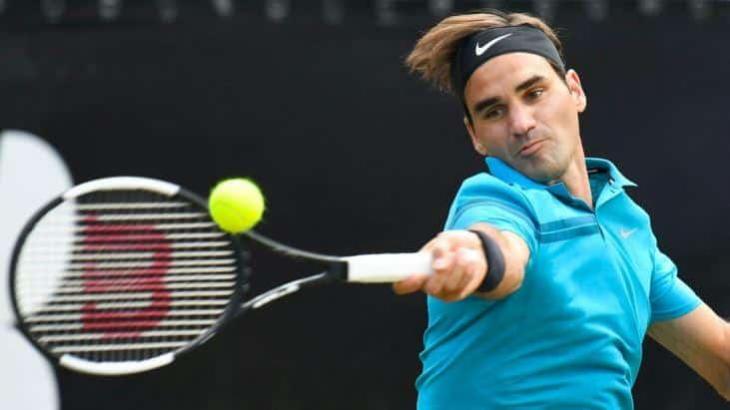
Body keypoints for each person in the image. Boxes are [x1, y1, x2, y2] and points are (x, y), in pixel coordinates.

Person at [392, 9, 730, 409]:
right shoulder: (492, 198)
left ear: (575, 91)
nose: (521, 123)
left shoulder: (627, 226)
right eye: (493, 111)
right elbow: (500, 243)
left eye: (534, 93)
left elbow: (721, 358)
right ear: (475, 135)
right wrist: (477, 255)